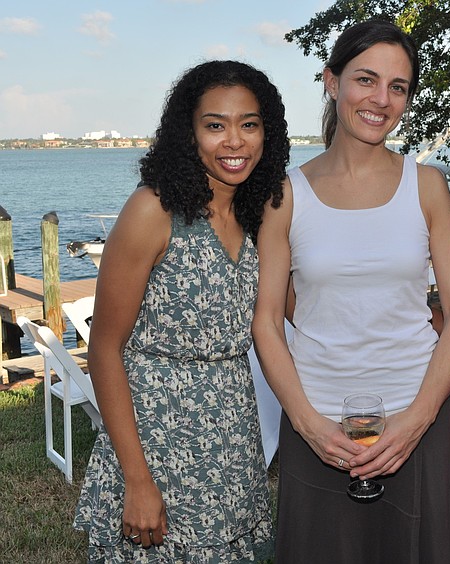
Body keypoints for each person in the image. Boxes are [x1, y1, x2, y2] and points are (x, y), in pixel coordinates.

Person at [252, 19, 450, 563]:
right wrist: (308, 424)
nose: (381, 99)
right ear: (331, 81)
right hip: (320, 426)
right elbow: (266, 322)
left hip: (413, 422)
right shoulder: (284, 195)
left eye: (397, 87)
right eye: (366, 79)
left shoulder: (426, 186)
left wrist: (417, 420)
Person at [73, 60, 290, 561]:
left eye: (249, 124)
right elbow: (105, 349)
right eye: (215, 125)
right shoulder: (154, 210)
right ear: (188, 133)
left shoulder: (260, 215)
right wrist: (137, 478)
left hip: (234, 440)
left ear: (267, 133)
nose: (234, 141)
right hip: (157, 445)